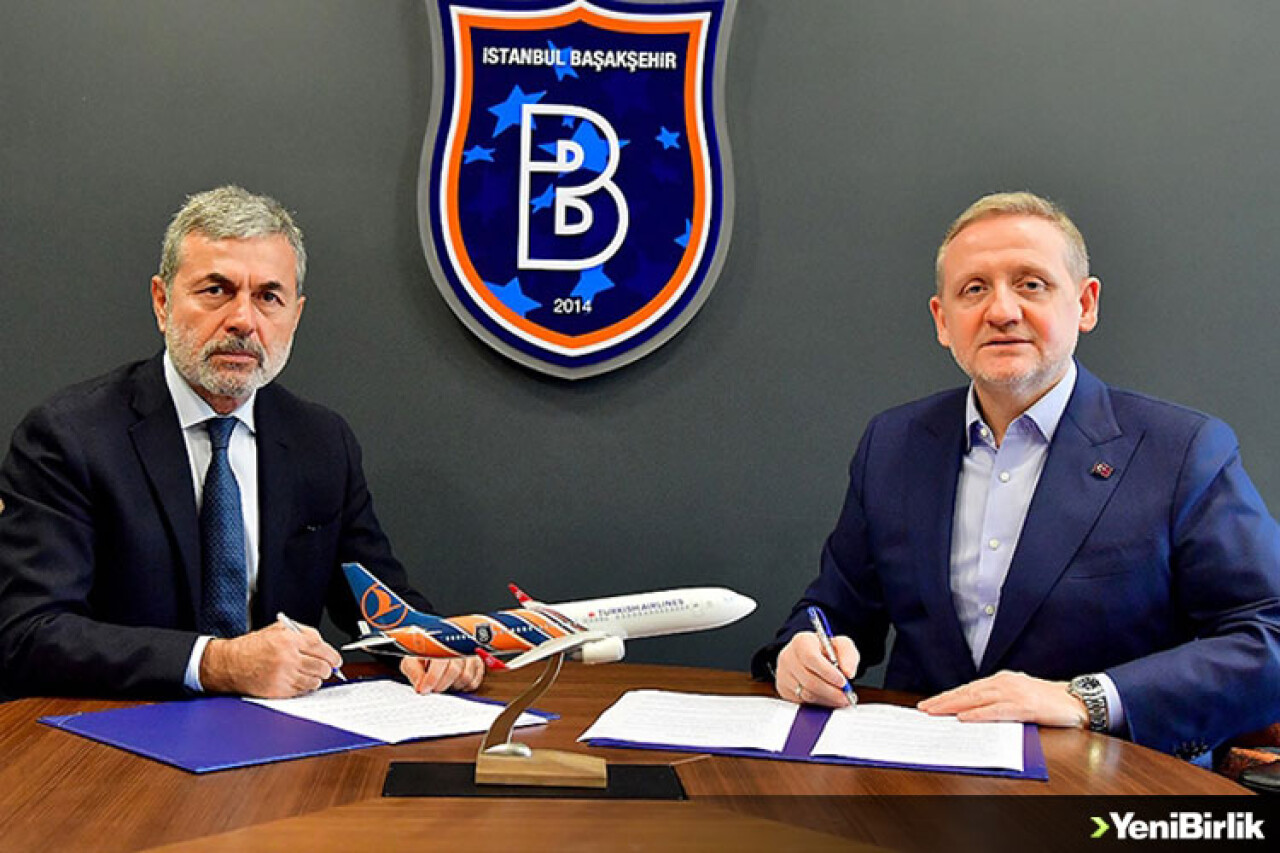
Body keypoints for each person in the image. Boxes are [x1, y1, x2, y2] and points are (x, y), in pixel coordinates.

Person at [753, 191, 1280, 761]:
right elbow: (834, 611)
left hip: (1104, 781)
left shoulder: (1181, 452)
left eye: (1031, 284)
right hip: (917, 777)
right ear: (943, 321)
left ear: (1085, 304)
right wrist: (802, 651)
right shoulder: (894, 444)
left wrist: (1085, 699)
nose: (1001, 311)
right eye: (974, 289)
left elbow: (1269, 635)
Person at [0, 185, 484, 700]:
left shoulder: (322, 442)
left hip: (281, 733)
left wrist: (429, 644)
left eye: (268, 297)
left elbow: (376, 600)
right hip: (116, 731)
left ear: (295, 315)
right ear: (162, 302)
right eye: (216, 290)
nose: (243, 321)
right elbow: (28, 634)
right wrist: (217, 663)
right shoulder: (70, 436)